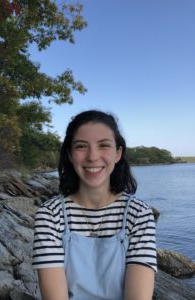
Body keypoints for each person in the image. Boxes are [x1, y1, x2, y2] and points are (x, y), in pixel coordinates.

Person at [32, 110, 157, 300]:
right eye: (81, 146)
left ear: (118, 153)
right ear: (70, 154)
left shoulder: (139, 214)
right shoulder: (50, 215)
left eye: (104, 145)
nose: (92, 156)